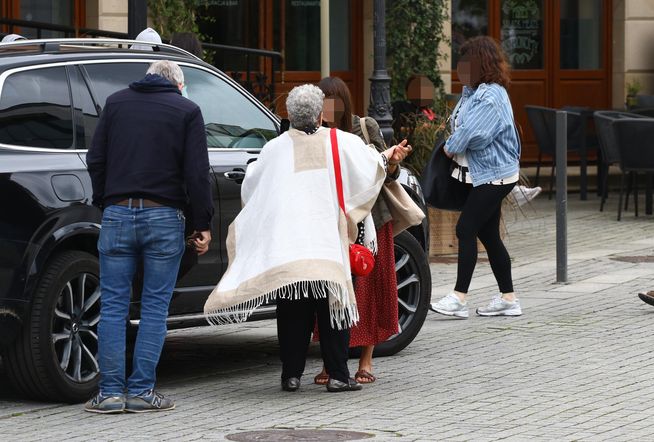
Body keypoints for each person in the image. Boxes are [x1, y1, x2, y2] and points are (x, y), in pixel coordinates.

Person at [204, 84, 410, 393]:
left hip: (291, 246)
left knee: (292, 313)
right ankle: (339, 376)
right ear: (318, 114)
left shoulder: (274, 148)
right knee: (333, 309)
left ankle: (291, 375)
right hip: (328, 244)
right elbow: (369, 166)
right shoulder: (341, 142)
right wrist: (388, 156)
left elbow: (251, 187)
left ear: (290, 115)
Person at [85, 60, 213, 413]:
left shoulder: (115, 103)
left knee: (112, 306)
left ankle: (110, 393)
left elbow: (95, 159)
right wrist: (200, 223)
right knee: (155, 307)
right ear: (177, 84)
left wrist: (106, 201)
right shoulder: (187, 110)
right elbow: (197, 173)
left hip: (117, 212)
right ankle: (141, 391)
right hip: (164, 216)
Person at [312, 76, 409, 385]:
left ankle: (366, 361)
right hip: (330, 224)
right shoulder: (313, 134)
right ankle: (332, 363)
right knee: (328, 294)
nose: (326, 108)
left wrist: (392, 163)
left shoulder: (364, 128)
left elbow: (388, 176)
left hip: (369, 224)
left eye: (331, 101)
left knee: (368, 292)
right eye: (321, 101)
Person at [429, 36, 521, 318]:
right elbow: (461, 126)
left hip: (496, 175)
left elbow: (475, 135)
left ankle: (459, 298)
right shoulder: (474, 92)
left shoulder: (490, 95)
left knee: (465, 229)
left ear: (481, 64)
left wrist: (449, 148)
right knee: (489, 234)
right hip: (485, 175)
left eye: (466, 63)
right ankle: (509, 299)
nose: (460, 70)